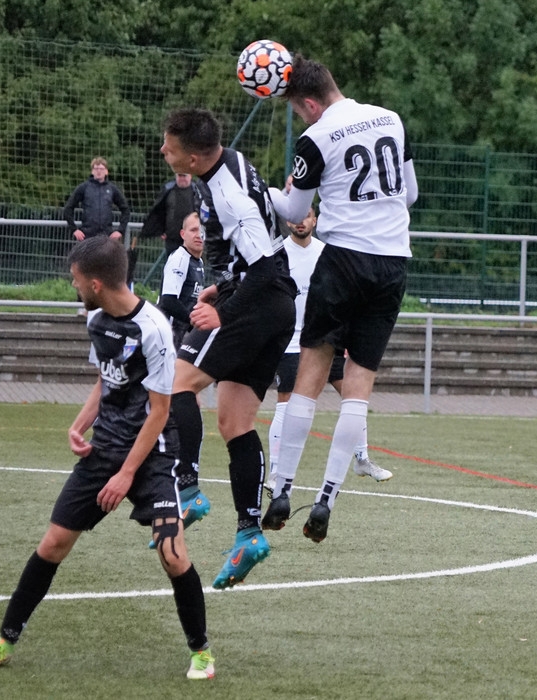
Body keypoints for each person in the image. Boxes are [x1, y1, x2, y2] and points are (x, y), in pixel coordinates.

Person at [0, 236, 214, 680]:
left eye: (76, 279)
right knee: (53, 544)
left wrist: (126, 474)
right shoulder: (97, 319)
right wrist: (79, 425)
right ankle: (4, 642)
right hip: (105, 450)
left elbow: (160, 412)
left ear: (96, 283)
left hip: (153, 456)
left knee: (173, 553)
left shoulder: (154, 329)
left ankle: (202, 653)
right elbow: (105, 380)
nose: (73, 286)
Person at [262, 54, 418, 543]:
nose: (301, 119)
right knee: (358, 387)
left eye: (298, 111)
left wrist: (267, 190)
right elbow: (410, 194)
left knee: (308, 378)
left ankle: (283, 490)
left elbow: (295, 211)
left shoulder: (317, 137)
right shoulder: (391, 119)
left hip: (343, 259)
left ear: (310, 103)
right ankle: (326, 498)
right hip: (393, 262)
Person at [159, 108, 296, 589]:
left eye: (170, 147)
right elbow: (260, 251)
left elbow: (264, 266)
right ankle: (248, 534)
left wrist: (225, 311)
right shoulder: (230, 160)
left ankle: (188, 488)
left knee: (176, 383)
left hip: (256, 302)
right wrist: (225, 285)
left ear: (193, 158)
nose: (163, 151)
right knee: (235, 422)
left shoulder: (228, 193)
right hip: (271, 304)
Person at [266, 208, 392, 491]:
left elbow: (344, 296)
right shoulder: (278, 254)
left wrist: (345, 336)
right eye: (296, 216)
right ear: (288, 220)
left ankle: (362, 459)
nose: (301, 221)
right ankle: (275, 471)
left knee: (353, 394)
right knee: (286, 402)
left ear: (315, 220)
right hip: (290, 341)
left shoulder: (327, 253)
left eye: (307, 215)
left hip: (325, 338)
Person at [158, 212, 205, 350]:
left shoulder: (198, 261)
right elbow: (168, 301)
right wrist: (194, 324)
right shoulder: (179, 259)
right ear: (183, 234)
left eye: (202, 231)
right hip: (168, 334)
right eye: (193, 230)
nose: (199, 235)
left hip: (182, 334)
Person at [62, 157, 131, 242]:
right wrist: (74, 229)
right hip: (87, 236)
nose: (99, 171)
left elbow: (125, 209)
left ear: (106, 171)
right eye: (96, 168)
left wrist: (120, 230)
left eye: (101, 169)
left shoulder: (112, 189)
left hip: (106, 236)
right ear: (92, 171)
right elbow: (68, 208)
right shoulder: (84, 187)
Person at [141, 173, 197, 256]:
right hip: (172, 239)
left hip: (192, 238)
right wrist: (161, 230)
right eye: (180, 176)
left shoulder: (197, 191)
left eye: (184, 176)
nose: (182, 178)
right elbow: (159, 211)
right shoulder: (168, 190)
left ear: (190, 176)